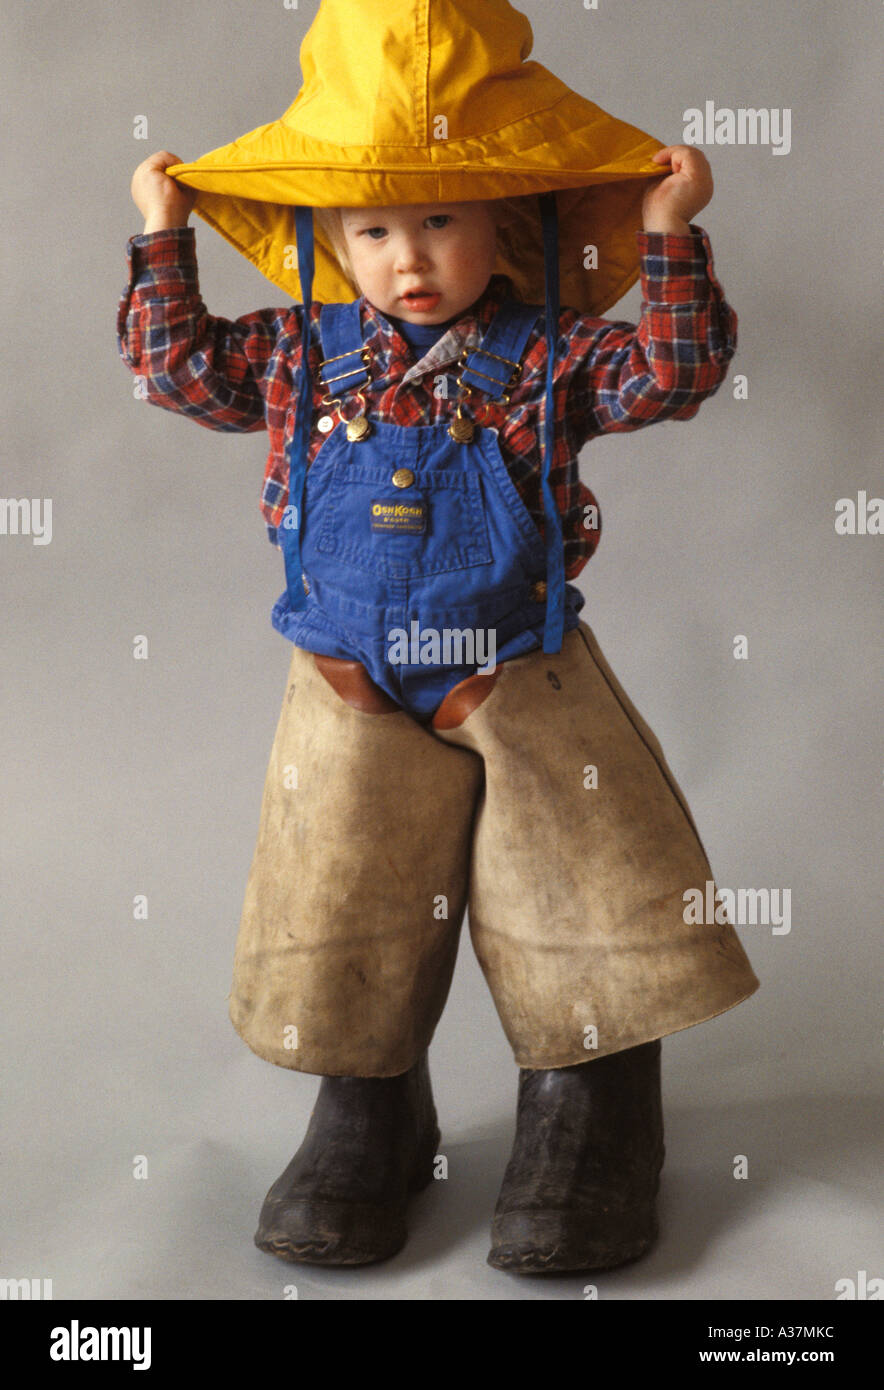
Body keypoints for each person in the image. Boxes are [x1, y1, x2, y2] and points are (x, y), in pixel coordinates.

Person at [117, 0, 759, 1275]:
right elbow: (177, 375)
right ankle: (368, 1107)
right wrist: (160, 239)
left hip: (517, 679)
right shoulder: (296, 353)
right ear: (324, 238)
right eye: (371, 227)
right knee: (339, 898)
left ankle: (593, 1110)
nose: (405, 256)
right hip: (345, 685)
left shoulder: (552, 357)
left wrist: (668, 240)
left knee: (584, 891)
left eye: (440, 220)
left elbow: (671, 378)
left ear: (509, 223)